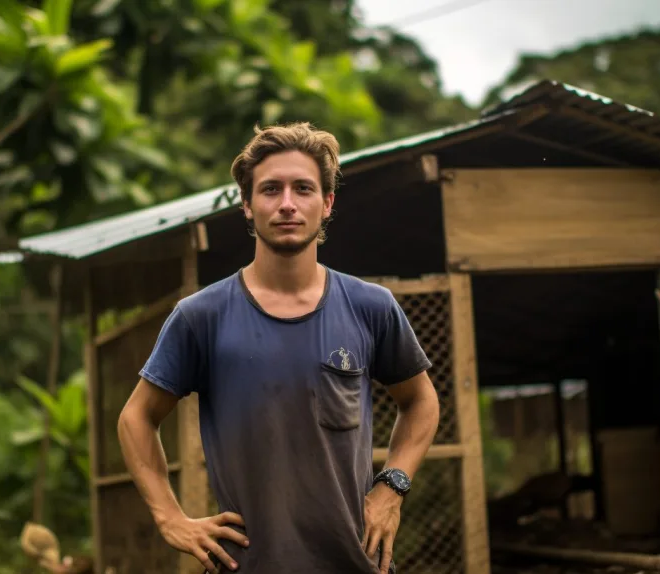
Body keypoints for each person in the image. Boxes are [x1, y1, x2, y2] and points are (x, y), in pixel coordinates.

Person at [116, 122, 441, 574]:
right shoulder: (201, 316)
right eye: (271, 189)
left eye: (303, 188)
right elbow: (135, 418)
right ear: (248, 205)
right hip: (246, 563)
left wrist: (392, 487)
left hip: (356, 561)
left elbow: (421, 400)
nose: (287, 203)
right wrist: (170, 519)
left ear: (327, 203)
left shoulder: (371, 307)